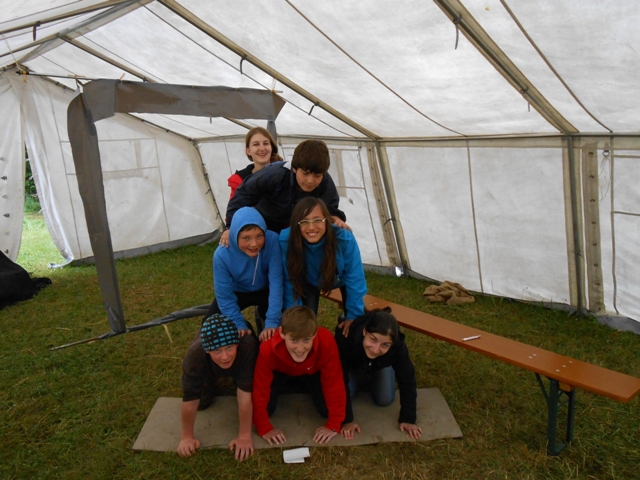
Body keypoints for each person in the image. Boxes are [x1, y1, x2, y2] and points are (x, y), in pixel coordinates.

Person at [220, 139, 349, 247]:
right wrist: (230, 226)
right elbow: (243, 194)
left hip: (295, 229)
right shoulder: (274, 174)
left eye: (317, 176)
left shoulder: (325, 182)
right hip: (264, 222)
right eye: (305, 173)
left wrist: (335, 217)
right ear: (294, 168)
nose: (310, 181)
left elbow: (330, 207)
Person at [252, 306, 348, 445]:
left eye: (306, 340)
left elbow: (334, 383)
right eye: (294, 340)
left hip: (312, 372)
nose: (300, 348)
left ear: (314, 334)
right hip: (280, 372)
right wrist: (263, 427)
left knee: (325, 410)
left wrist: (334, 423)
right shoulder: (267, 348)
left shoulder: (326, 341)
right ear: (282, 333)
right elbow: (260, 389)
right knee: (268, 409)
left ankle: (303, 387)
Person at [280, 197, 366, 335]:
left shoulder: (343, 238)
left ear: (327, 220)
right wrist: (295, 316)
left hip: (339, 278)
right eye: (304, 222)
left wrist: (353, 316)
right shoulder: (286, 240)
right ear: (296, 224)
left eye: (317, 220)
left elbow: (354, 277)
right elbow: (289, 281)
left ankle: (346, 319)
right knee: (303, 327)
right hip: (307, 282)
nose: (311, 227)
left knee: (355, 326)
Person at [334, 307, 423, 440]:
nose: (376, 350)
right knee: (349, 393)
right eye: (373, 339)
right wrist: (347, 420)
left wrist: (408, 419)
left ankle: (374, 373)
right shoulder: (345, 338)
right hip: (352, 364)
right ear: (365, 331)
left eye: (385, 345)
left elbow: (407, 379)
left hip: (381, 364)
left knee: (384, 399)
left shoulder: (398, 347)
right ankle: (362, 376)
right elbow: (338, 378)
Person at [178, 313, 259, 460]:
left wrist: (244, 436)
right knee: (201, 403)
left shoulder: (248, 347)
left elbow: (244, 397)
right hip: (207, 368)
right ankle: (211, 380)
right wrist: (186, 437)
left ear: (237, 344)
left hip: (240, 364)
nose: (225, 356)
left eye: (229, 347)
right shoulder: (195, 356)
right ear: (207, 350)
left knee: (250, 394)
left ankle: (233, 376)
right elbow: (190, 399)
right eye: (217, 350)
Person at [205, 206, 283, 341]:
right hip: (238, 291)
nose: (254, 244)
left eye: (259, 236)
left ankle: (263, 315)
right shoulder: (222, 254)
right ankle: (249, 335)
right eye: (246, 238)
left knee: (287, 321)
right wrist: (238, 323)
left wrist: (272, 321)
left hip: (267, 289)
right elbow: (224, 295)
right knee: (209, 323)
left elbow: (276, 282)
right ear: (235, 235)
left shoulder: (272, 241)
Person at [227, 127, 283, 199]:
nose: (262, 148)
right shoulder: (240, 180)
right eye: (256, 144)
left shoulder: (284, 174)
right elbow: (235, 206)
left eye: (266, 143)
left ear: (271, 148)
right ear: (248, 151)